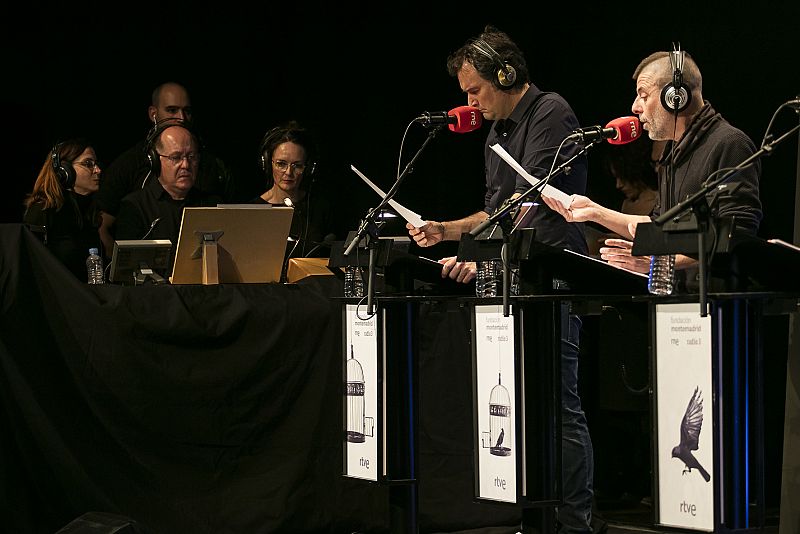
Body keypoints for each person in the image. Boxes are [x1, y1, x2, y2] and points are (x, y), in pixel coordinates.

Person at [406, 25, 594, 534]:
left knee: (559, 408)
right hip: (512, 285)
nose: (469, 102)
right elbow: (495, 211)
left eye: (475, 90)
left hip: (550, 282)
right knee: (522, 408)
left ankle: (573, 522)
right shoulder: (495, 134)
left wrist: (481, 257)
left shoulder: (550, 112)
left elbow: (529, 205)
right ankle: (534, 517)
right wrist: (445, 231)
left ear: (506, 75)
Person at [542, 49, 762, 293]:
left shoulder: (729, 143)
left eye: (643, 95)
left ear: (675, 97)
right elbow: (657, 226)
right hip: (674, 305)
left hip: (717, 308)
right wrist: (594, 212)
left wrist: (656, 263)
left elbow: (737, 236)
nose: (635, 107)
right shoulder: (672, 152)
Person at [96, 81, 234, 257]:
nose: (181, 118)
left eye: (191, 157)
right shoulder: (130, 176)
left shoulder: (211, 172)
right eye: (172, 110)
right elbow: (103, 225)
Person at [114, 121, 222, 271]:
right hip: (157, 293)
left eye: (191, 156)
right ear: (154, 160)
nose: (186, 165)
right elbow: (128, 271)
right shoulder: (134, 206)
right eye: (176, 157)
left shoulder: (212, 205)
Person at [248, 120, 335, 259]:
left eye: (297, 165)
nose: (288, 172)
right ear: (267, 163)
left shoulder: (320, 209)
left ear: (309, 168)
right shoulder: (252, 210)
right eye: (281, 164)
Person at [23, 138, 103, 280]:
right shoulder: (43, 209)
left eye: (95, 164)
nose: (97, 170)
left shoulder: (89, 210)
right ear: (64, 170)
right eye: (88, 164)